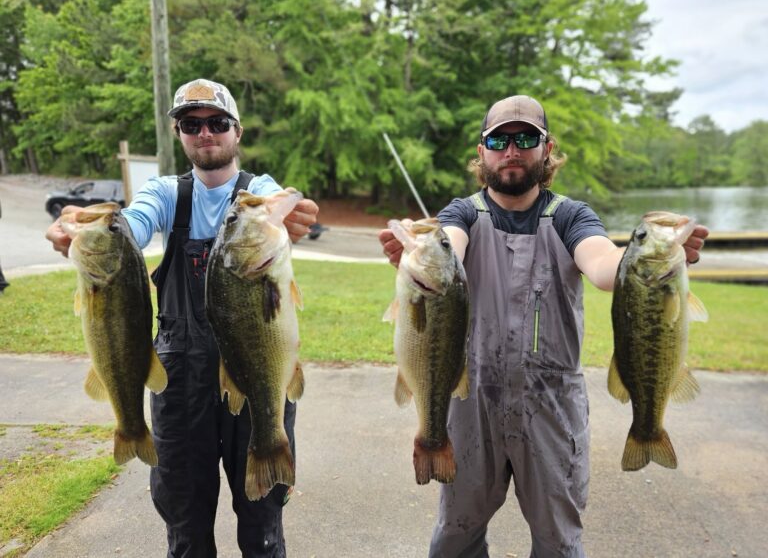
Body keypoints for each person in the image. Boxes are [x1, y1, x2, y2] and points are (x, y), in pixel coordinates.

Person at [378, 95, 708, 558]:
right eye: (499, 139)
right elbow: (447, 244)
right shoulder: (463, 214)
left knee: (559, 541)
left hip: (553, 408)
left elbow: (603, 265)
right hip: (472, 404)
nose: (512, 150)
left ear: (546, 149)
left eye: (525, 138)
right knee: (456, 532)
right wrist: (425, 253)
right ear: (482, 152)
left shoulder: (572, 216)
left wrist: (648, 261)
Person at [46, 78, 319, 558]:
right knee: (185, 519)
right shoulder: (167, 193)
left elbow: (288, 202)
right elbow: (130, 222)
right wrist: (88, 231)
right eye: (191, 124)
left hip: (254, 371)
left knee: (262, 522)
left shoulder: (259, 193)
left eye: (217, 123)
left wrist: (293, 213)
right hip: (177, 377)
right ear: (179, 133)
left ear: (236, 132)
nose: (205, 133)